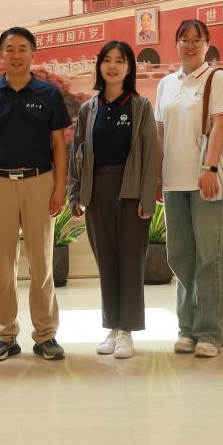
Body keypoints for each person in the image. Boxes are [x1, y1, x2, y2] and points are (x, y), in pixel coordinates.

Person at [0, 27, 72, 361]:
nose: (16, 55)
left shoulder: (48, 93)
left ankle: (45, 335)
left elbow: (58, 144)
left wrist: (59, 186)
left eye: (22, 49)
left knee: (42, 262)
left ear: (33, 53)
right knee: (3, 264)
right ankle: (4, 335)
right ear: (1, 53)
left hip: (39, 182)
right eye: (10, 49)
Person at [68, 40, 160, 359]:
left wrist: (147, 197)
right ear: (99, 66)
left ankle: (127, 331)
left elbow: (150, 154)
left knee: (130, 261)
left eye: (119, 61)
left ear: (129, 67)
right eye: (107, 60)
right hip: (97, 191)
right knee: (106, 260)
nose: (112, 66)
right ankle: (112, 327)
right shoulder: (88, 109)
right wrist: (75, 193)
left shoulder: (140, 106)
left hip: (130, 189)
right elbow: (78, 152)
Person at [155, 19, 223, 358]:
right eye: (184, 39)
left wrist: (210, 168)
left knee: (209, 257)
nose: (190, 45)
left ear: (207, 45)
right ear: (176, 44)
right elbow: (160, 131)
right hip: (173, 183)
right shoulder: (166, 84)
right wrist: (156, 176)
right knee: (180, 256)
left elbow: (220, 125)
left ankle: (211, 332)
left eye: (196, 40)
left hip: (205, 182)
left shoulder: (216, 78)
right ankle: (186, 328)